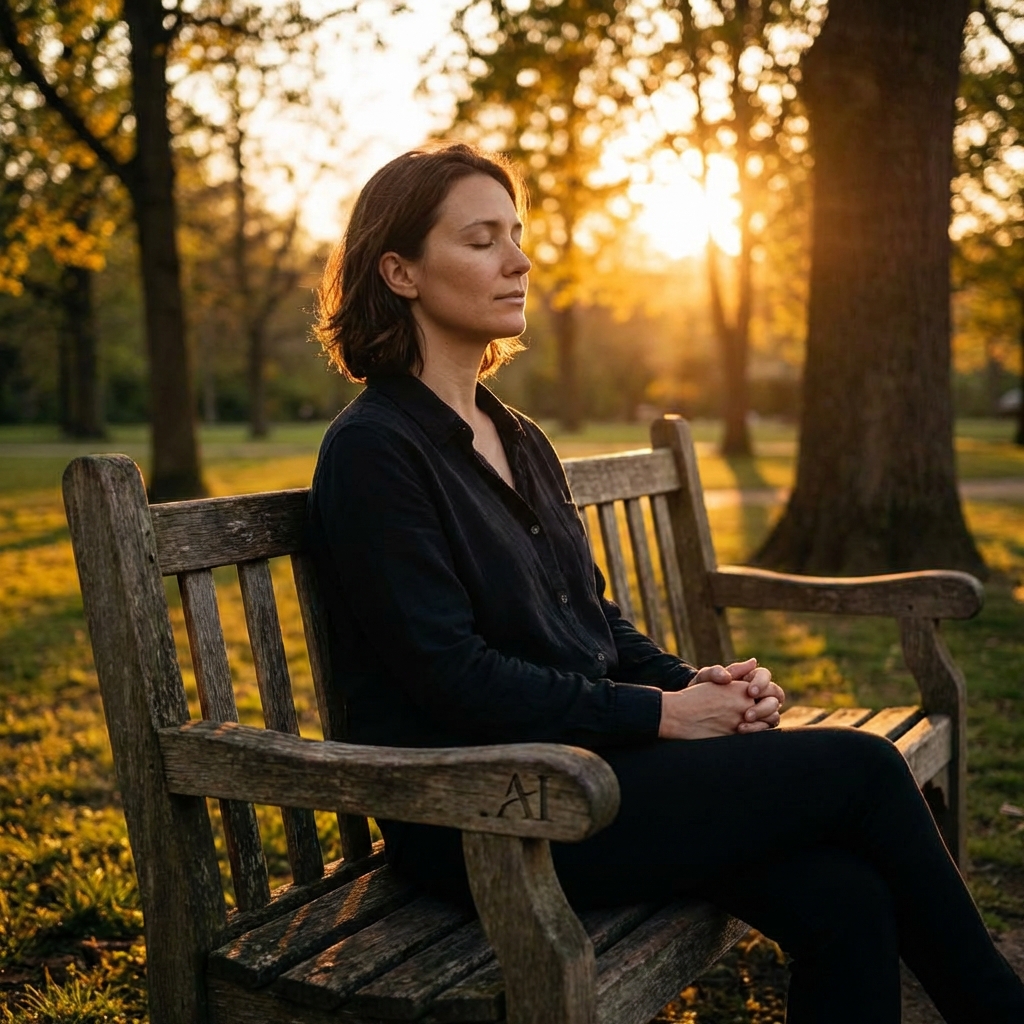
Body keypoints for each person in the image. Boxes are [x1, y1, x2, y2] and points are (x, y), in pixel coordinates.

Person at [307, 143, 1024, 1024]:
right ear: (400, 271)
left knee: (846, 901)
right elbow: (451, 678)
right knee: (866, 767)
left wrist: (693, 685)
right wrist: (665, 717)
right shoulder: (375, 449)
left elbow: (593, 621)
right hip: (488, 811)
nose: (519, 261)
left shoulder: (515, 435)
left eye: (518, 236)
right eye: (483, 240)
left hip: (591, 772)